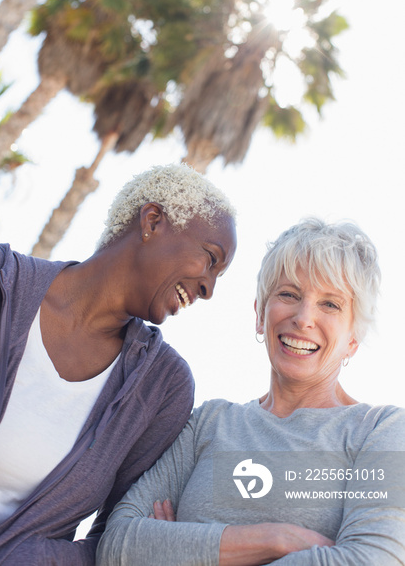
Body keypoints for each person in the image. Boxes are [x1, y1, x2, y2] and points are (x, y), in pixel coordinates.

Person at [0, 162, 237, 566]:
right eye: (210, 258)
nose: (208, 288)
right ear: (152, 222)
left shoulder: (162, 388)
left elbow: (113, 539)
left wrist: (33, 559)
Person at [96, 217, 405, 566]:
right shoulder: (210, 423)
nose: (303, 318)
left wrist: (180, 550)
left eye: (330, 304)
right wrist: (275, 539)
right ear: (260, 314)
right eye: (288, 294)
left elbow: (373, 559)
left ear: (353, 338)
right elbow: (118, 544)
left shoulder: (382, 431)